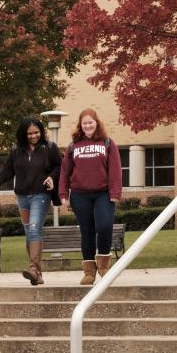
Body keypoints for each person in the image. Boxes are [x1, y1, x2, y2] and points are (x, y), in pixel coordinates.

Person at [0, 118, 62, 286]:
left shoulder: (49, 148)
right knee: (30, 232)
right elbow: (8, 169)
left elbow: (60, 166)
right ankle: (37, 275)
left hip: (41, 194)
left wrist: (52, 177)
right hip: (22, 196)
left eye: (36, 132)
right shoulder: (16, 150)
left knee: (35, 228)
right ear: (23, 134)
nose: (33, 136)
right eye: (29, 133)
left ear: (41, 132)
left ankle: (33, 268)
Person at [59, 108, 123, 286]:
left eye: (91, 122)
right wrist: (63, 194)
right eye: (84, 123)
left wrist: (115, 193)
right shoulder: (74, 146)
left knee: (104, 226)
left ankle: (103, 265)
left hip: (103, 194)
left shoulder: (108, 143)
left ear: (97, 123)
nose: (88, 125)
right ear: (80, 125)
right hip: (80, 195)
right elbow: (65, 172)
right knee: (86, 232)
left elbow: (116, 170)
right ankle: (89, 272)